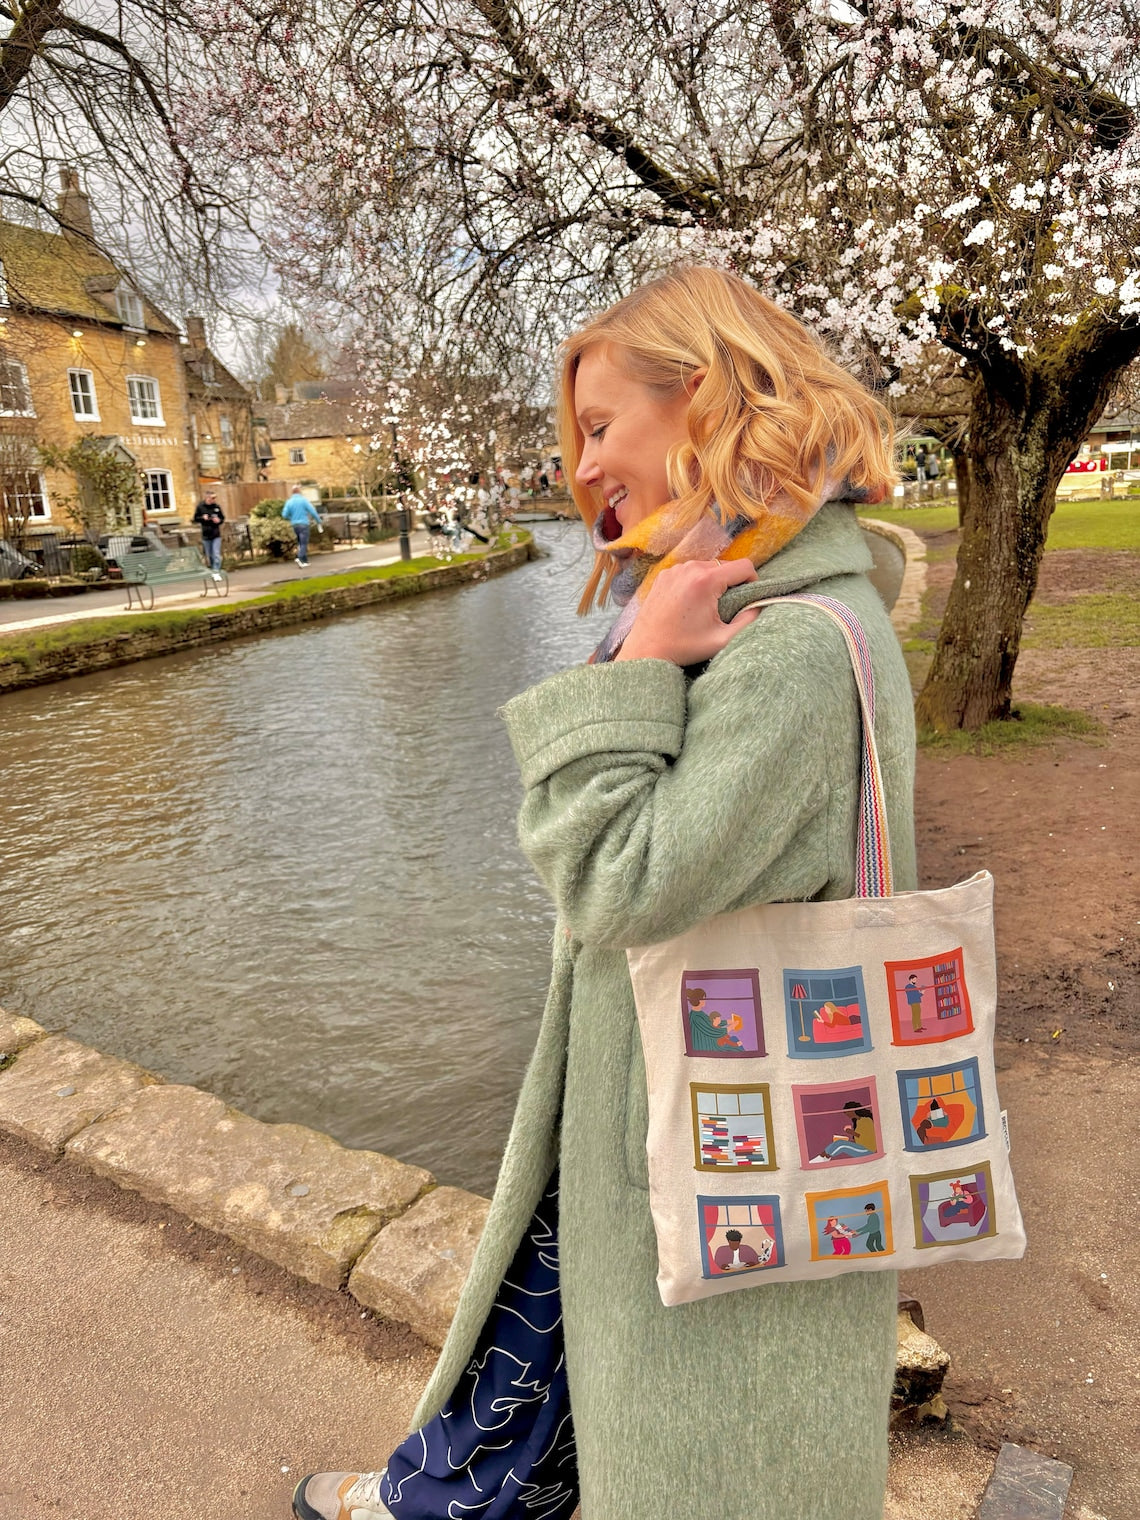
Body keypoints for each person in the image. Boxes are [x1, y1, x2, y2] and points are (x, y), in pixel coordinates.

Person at [292, 265, 916, 1520]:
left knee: (694, 1449)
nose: (579, 470)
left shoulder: (787, 650)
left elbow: (610, 875)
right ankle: (448, 1492)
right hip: (667, 1115)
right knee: (563, 1359)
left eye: (598, 426)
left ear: (712, 402)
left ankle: (444, 1496)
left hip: (707, 1139)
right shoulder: (753, 604)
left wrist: (631, 659)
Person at [282, 486, 322, 566]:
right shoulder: (303, 501)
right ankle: (300, 558)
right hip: (303, 524)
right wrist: (318, 521)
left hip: (295, 525)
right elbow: (312, 511)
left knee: (300, 542)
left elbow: (284, 514)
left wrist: (291, 518)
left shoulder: (289, 502)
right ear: (299, 491)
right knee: (304, 543)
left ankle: (305, 560)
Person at [192, 488, 225, 579]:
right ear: (207, 498)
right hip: (206, 534)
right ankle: (212, 569)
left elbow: (222, 518)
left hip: (216, 534)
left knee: (216, 553)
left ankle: (216, 571)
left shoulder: (217, 507)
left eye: (215, 498)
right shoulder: (200, 507)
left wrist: (218, 520)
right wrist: (203, 518)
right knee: (210, 555)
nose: (214, 500)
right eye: (212, 498)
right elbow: (195, 519)